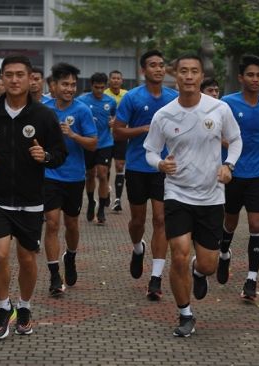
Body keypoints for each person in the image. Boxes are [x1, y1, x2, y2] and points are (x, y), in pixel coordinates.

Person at [0, 55, 67, 340]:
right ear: (1, 78)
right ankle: (2, 307)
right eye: (8, 74)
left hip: (31, 199)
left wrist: (45, 156)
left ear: (29, 78)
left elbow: (61, 154)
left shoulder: (44, 116)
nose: (14, 80)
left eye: (19, 75)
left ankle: (24, 306)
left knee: (26, 259)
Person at [144, 54, 242, 337]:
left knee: (208, 264)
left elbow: (235, 140)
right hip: (177, 193)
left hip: (211, 196)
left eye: (194, 72)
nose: (188, 76)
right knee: (179, 256)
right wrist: (160, 164)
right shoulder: (164, 115)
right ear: (176, 76)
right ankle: (185, 313)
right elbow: (150, 149)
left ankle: (200, 274)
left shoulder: (219, 109)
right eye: (183, 71)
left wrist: (228, 165)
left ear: (201, 77)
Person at [113, 50, 178, 300]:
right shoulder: (132, 98)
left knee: (161, 220)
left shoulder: (174, 99)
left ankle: (156, 278)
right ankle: (138, 248)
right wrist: (143, 129)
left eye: (162, 65)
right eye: (153, 65)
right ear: (143, 70)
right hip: (138, 167)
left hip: (164, 168)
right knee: (138, 221)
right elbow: (118, 132)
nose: (159, 69)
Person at [217, 55, 259, 300]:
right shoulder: (226, 103)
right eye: (250, 75)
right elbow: (214, 131)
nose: (255, 79)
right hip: (232, 173)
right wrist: (231, 144)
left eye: (258, 75)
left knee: (256, 225)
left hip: (258, 173)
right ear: (241, 78)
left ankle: (251, 279)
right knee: (229, 223)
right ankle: (223, 254)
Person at [43, 63, 97, 296]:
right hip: (49, 175)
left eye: (73, 84)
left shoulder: (82, 110)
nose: (70, 88)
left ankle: (71, 256)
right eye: (65, 84)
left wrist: (73, 135)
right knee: (52, 223)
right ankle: (55, 275)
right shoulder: (42, 109)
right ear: (53, 86)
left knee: (72, 224)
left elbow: (93, 143)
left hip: (74, 175)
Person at [78, 72, 117, 225]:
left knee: (102, 174)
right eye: (96, 87)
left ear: (105, 86)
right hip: (88, 143)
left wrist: (113, 121)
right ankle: (90, 203)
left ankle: (101, 209)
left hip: (105, 143)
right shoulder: (82, 101)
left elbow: (114, 116)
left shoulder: (111, 101)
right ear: (91, 85)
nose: (99, 91)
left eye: (102, 87)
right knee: (89, 174)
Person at [104, 70, 129, 212]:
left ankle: (118, 199)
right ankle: (105, 191)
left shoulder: (127, 95)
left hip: (121, 136)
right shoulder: (104, 95)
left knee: (120, 166)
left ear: (122, 80)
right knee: (105, 169)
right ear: (109, 80)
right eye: (113, 78)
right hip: (106, 137)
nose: (116, 80)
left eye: (118, 78)